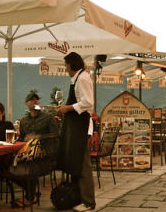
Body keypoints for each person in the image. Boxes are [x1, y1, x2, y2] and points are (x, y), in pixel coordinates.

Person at [56, 52, 95, 212]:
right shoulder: (79, 78)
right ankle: (78, 198)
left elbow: (88, 102)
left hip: (81, 125)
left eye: (66, 65)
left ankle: (89, 202)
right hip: (76, 124)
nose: (65, 69)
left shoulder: (83, 78)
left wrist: (67, 108)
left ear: (71, 64)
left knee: (83, 164)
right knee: (75, 162)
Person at [10, 91, 59, 207]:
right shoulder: (24, 121)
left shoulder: (48, 117)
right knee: (9, 168)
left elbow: (56, 136)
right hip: (28, 154)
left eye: (37, 99)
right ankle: (31, 194)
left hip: (45, 155)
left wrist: (39, 137)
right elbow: (22, 140)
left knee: (30, 167)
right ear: (26, 104)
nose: (35, 101)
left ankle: (30, 197)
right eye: (32, 100)